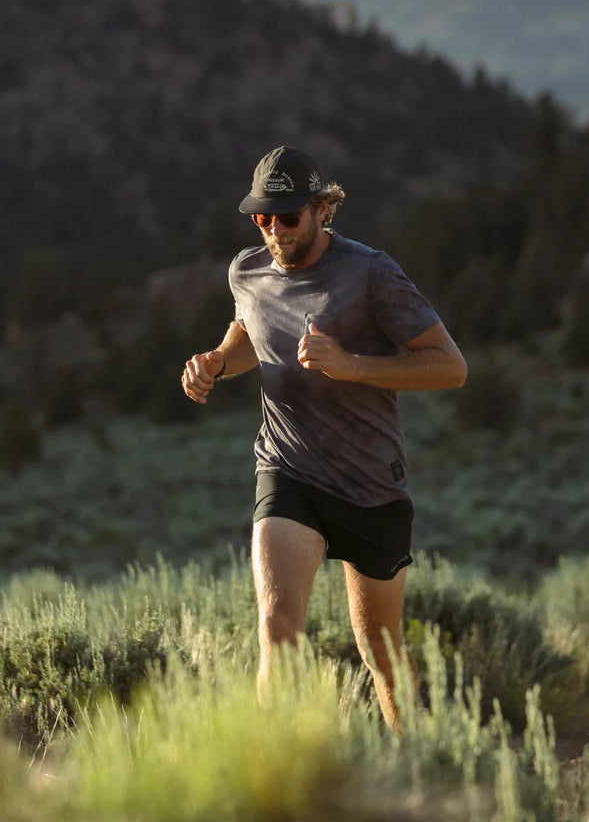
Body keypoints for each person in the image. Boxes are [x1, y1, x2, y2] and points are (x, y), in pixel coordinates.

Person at [181, 145, 467, 729]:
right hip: (290, 472)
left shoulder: (371, 273)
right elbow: (250, 334)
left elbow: (450, 366)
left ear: (320, 209)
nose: (274, 230)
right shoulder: (247, 272)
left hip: (370, 485)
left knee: (380, 650)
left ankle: (419, 769)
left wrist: (353, 365)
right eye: (262, 217)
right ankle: (280, 787)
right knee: (276, 628)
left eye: (287, 217)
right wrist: (215, 360)